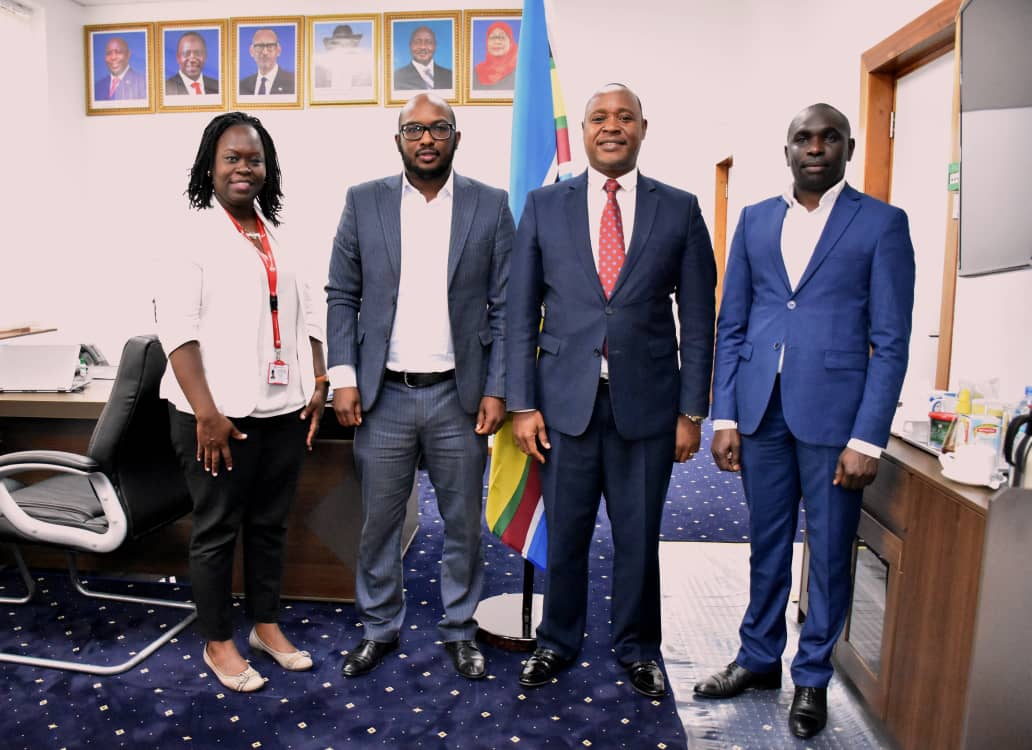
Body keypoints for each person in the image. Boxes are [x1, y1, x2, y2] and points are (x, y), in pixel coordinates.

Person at [694, 103, 915, 739]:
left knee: (827, 555)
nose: (815, 147)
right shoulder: (757, 220)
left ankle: (812, 675)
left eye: (829, 138)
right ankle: (759, 658)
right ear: (786, 149)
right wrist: (725, 414)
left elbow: (891, 341)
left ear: (848, 147)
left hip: (836, 423)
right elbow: (731, 323)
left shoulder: (880, 225)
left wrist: (867, 436)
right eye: (803, 138)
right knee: (765, 544)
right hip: (761, 413)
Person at [506, 83, 716, 699]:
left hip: (648, 407)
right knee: (565, 533)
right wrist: (522, 402)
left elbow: (699, 318)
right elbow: (520, 313)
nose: (611, 126)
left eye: (625, 117)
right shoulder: (545, 205)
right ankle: (556, 642)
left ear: (643, 129)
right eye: (600, 117)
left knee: (638, 535)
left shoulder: (679, 208)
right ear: (587, 131)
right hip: (563, 403)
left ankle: (638, 647)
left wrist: (691, 411)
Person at [326, 92, 513, 681]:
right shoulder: (364, 201)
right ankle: (379, 627)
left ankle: (459, 629)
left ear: (457, 138)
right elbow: (342, 294)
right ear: (399, 140)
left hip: (460, 395)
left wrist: (498, 387)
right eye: (414, 129)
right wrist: (344, 376)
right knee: (378, 522)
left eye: (439, 128)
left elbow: (507, 305)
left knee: (461, 524)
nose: (426, 138)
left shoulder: (491, 205)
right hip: (384, 396)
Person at [157, 111, 328, 693]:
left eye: (254, 159)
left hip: (280, 409)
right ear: (211, 165)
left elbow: (309, 313)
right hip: (215, 417)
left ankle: (266, 625)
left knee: (269, 526)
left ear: (267, 168)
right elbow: (176, 330)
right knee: (216, 529)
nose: (244, 168)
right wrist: (206, 412)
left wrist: (319, 380)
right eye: (232, 157)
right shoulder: (192, 235)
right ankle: (218, 641)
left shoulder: (276, 233)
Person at [313, 24, 373, 92]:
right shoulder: (319, 72)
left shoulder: (365, 73)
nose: (343, 49)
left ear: (353, 47)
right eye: (338, 44)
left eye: (347, 44)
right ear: (331, 48)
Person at [393, 26, 453, 90]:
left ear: (435, 46)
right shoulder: (396, 78)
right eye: (417, 42)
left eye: (428, 42)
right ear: (410, 45)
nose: (423, 47)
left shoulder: (451, 76)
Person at [239, 29, 295, 95]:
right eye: (259, 46)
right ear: (251, 51)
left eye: (270, 46)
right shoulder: (242, 86)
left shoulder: (293, 81)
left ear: (278, 50)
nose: (265, 52)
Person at [94, 36, 147, 101]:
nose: (113, 57)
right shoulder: (97, 87)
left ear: (128, 54)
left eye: (118, 52)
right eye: (109, 53)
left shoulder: (143, 83)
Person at [165, 31, 219, 96]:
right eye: (186, 53)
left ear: (205, 56)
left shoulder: (218, 86)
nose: (192, 59)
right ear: (178, 58)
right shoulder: (166, 89)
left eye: (198, 53)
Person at [472, 21, 517, 90]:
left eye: (502, 37)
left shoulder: (520, 70)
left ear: (510, 42)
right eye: (492, 37)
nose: (497, 42)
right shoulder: (476, 72)